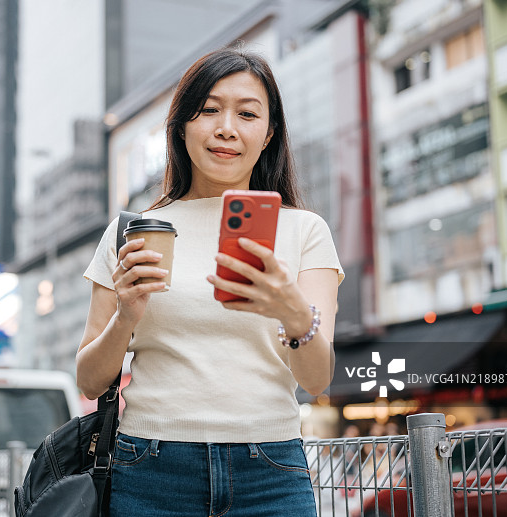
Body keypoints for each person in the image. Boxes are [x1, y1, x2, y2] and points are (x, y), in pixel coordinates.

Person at [77, 47, 344, 517]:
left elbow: (318, 380)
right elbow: (89, 378)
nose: (226, 128)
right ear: (181, 126)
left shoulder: (304, 231)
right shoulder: (134, 230)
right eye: (208, 110)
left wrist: (291, 311)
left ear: (269, 134)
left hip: (270, 469)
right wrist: (126, 316)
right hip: (151, 466)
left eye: (247, 114)